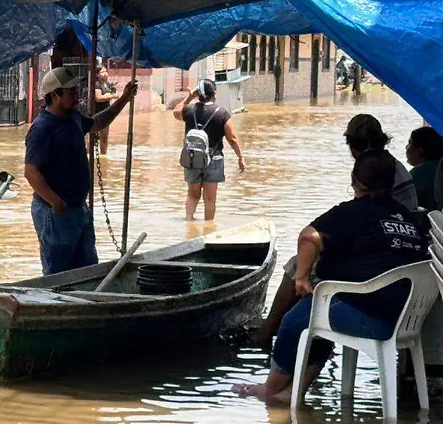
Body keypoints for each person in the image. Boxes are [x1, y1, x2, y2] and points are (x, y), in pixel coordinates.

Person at [235, 150, 427, 403]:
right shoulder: (409, 218)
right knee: (323, 318)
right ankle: (293, 392)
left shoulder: (353, 212)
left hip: (369, 317)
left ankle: (270, 389)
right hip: (406, 320)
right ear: (391, 182)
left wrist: (302, 277)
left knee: (297, 319)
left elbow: (309, 237)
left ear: (354, 179)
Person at [252, 113, 417, 348]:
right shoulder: (389, 166)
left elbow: (325, 232)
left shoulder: (376, 170)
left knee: (296, 266)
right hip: (392, 264)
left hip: (377, 268)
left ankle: (269, 333)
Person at [24, 66, 138, 274]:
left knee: (87, 268)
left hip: (78, 208)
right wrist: (55, 202)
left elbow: (97, 123)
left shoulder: (73, 117)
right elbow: (31, 172)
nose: (78, 95)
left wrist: (123, 99)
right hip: (55, 211)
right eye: (71, 91)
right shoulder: (42, 127)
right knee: (58, 275)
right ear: (56, 95)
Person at [172, 79, 246, 221]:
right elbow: (233, 139)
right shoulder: (222, 114)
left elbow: (176, 112)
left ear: (198, 93)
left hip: (192, 157)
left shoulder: (189, 110)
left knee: (192, 194)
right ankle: (208, 231)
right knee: (210, 199)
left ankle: (188, 224)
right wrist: (240, 157)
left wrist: (189, 97)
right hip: (214, 159)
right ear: (214, 94)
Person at [406, 126, 443, 213]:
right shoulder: (439, 166)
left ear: (419, 151)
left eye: (409, 143)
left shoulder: (417, 174)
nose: (406, 147)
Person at [93, 65, 118, 155]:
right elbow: (98, 98)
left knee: (104, 137)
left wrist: (111, 95)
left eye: (106, 71)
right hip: (98, 113)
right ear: (97, 74)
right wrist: (111, 96)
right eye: (102, 72)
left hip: (106, 113)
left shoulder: (106, 84)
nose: (105, 74)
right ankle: (89, 155)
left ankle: (104, 156)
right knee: (94, 137)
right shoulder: (97, 84)